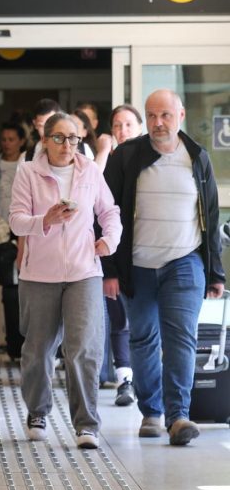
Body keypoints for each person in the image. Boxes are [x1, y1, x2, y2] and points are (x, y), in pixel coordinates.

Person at [102, 89, 224, 446]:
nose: (158, 123)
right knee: (143, 338)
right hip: (137, 264)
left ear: (180, 115)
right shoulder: (126, 157)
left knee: (181, 339)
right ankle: (151, 412)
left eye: (165, 116)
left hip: (185, 261)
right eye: (152, 116)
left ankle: (178, 416)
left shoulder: (197, 157)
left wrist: (215, 272)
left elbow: (211, 217)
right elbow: (105, 214)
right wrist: (110, 269)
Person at [9, 113, 121, 450]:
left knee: (83, 349)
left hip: (84, 271)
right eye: (59, 138)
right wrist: (46, 219)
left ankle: (86, 424)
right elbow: (16, 221)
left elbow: (109, 211)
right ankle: (38, 411)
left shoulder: (89, 170)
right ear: (44, 140)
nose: (67, 145)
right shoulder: (28, 172)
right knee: (39, 349)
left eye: (73, 138)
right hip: (38, 275)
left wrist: (109, 241)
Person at [100, 104, 144, 407]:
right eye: (117, 125)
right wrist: (110, 270)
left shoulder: (152, 161)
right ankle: (125, 380)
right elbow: (99, 219)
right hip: (118, 257)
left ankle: (146, 381)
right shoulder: (109, 165)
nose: (123, 131)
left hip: (149, 256)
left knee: (145, 325)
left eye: (128, 124)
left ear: (139, 127)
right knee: (119, 321)